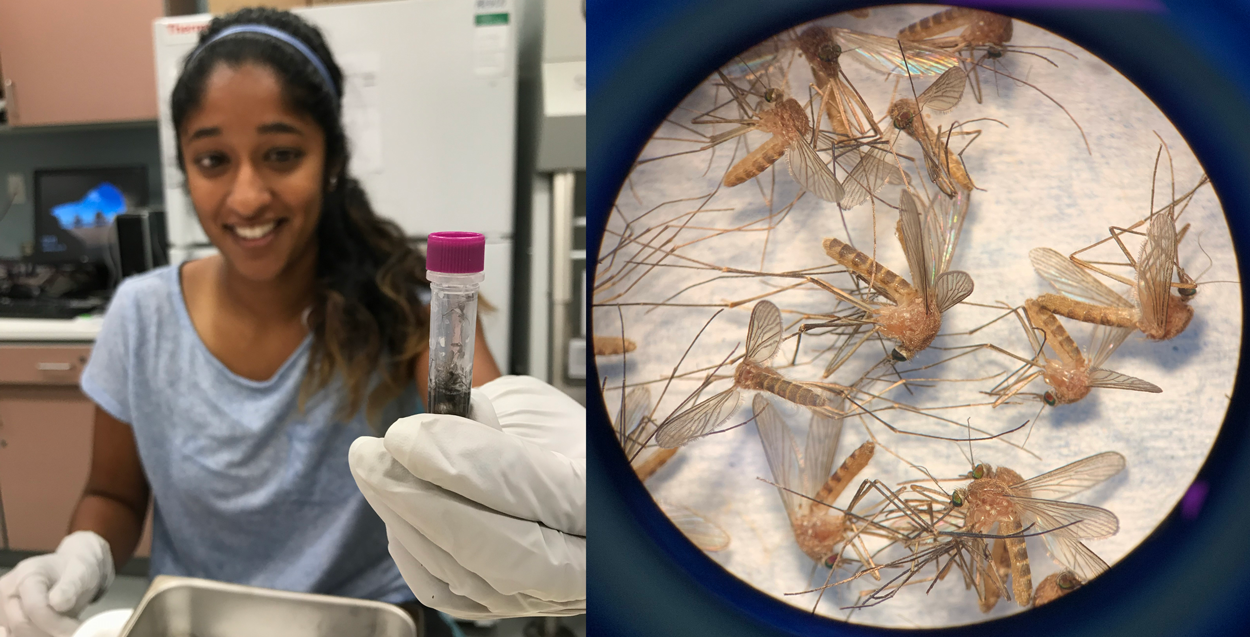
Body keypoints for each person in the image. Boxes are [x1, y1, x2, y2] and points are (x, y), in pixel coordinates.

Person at [0, 8, 533, 637]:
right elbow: (114, 496)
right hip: (201, 621)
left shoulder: (406, 304)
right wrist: (82, 556)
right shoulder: (140, 317)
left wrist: (519, 477)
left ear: (331, 157)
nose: (247, 196)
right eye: (213, 160)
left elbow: (495, 440)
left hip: (369, 622)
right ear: (185, 168)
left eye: (281, 154)